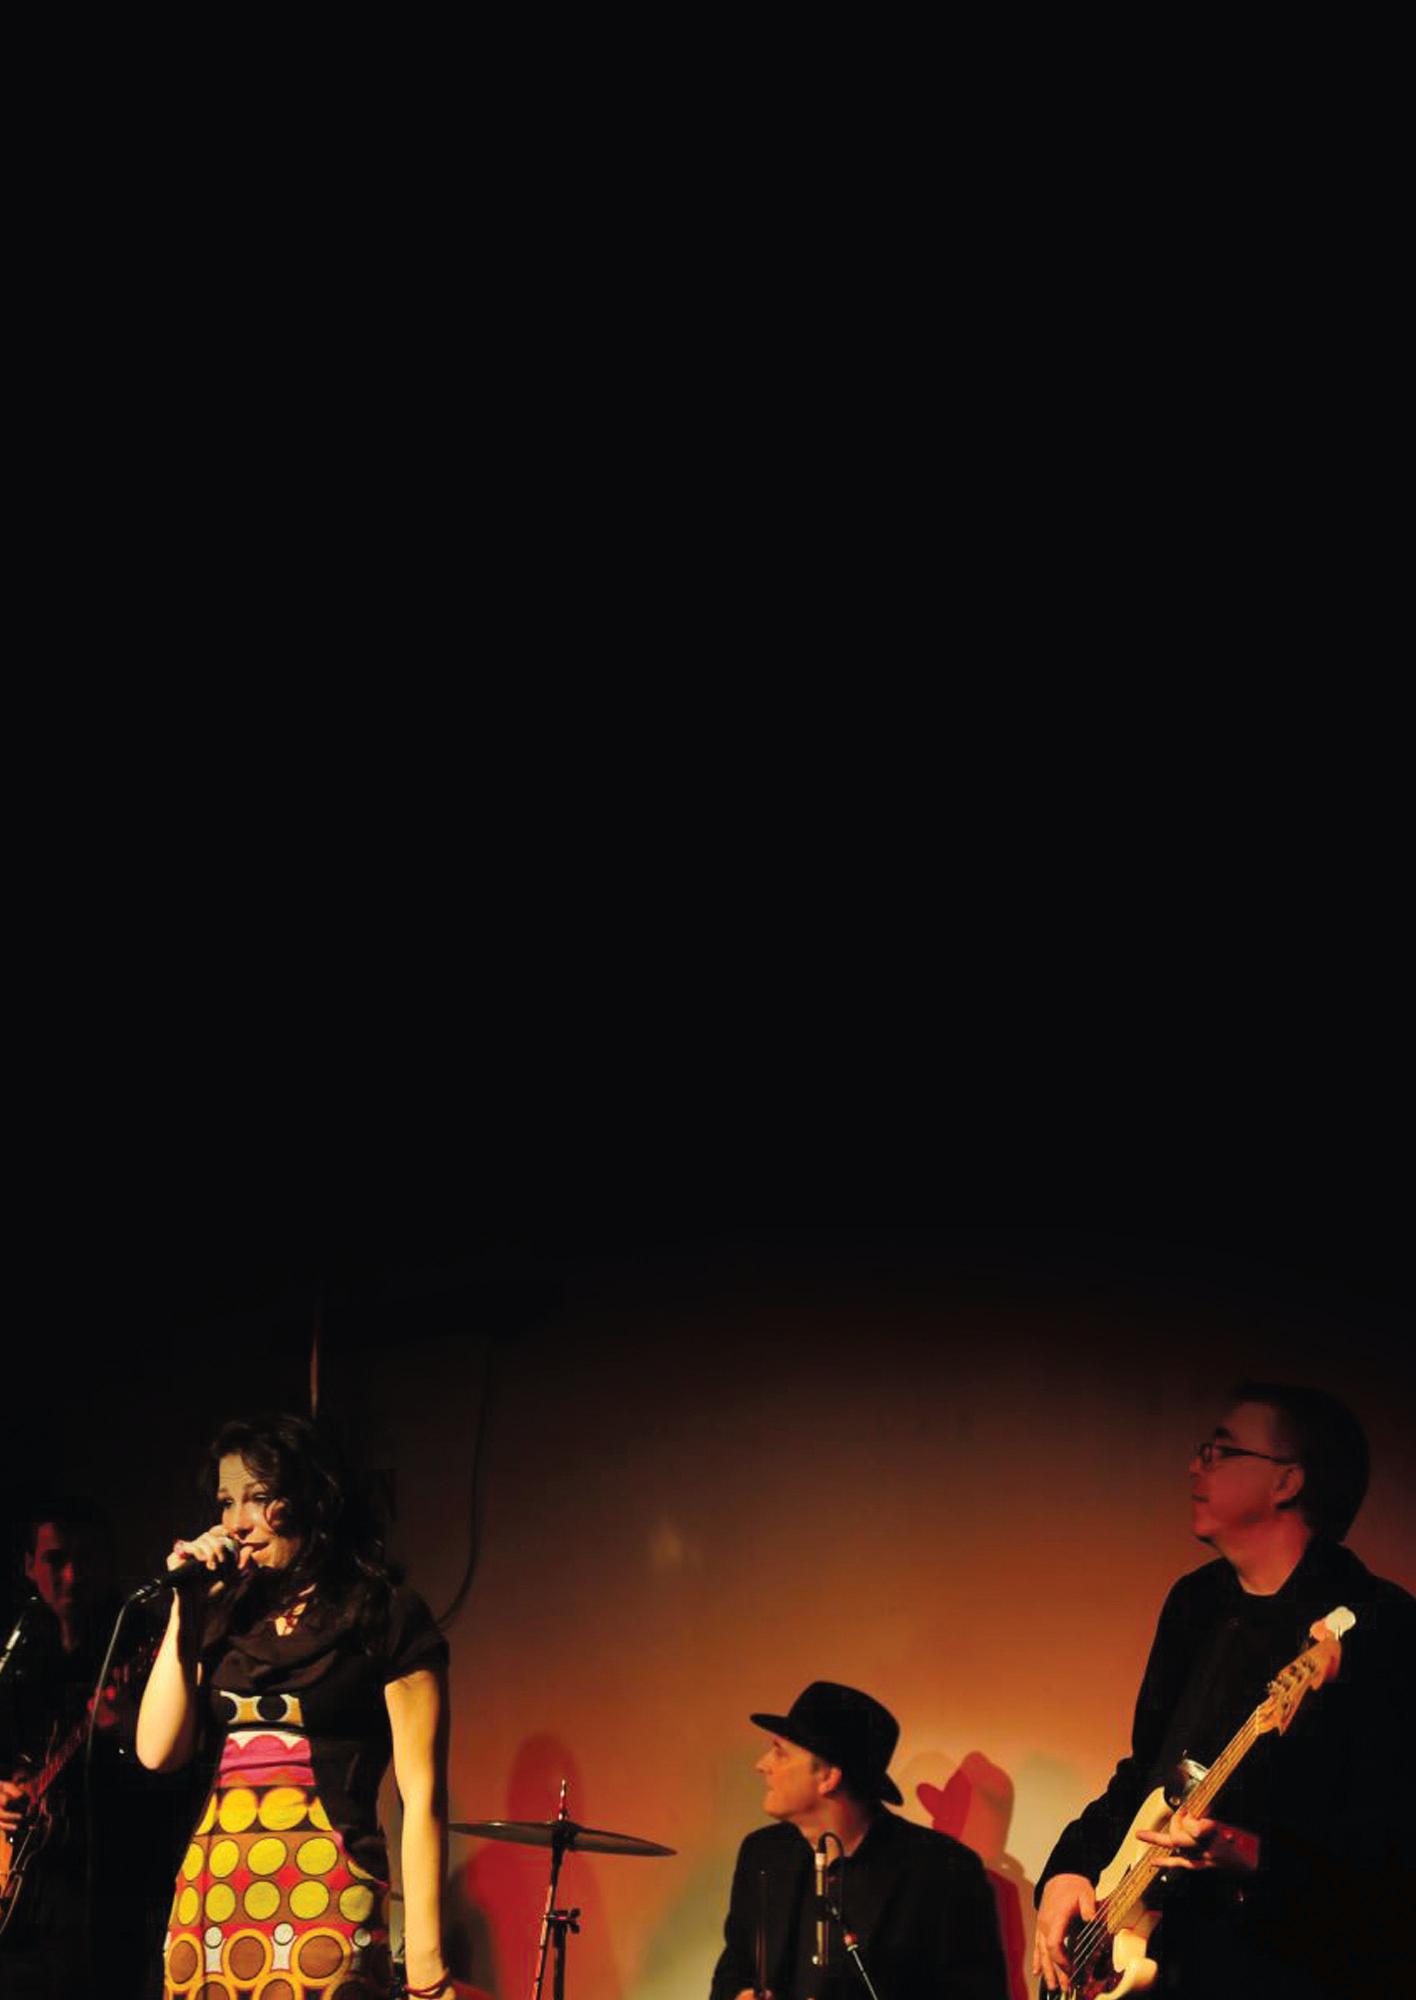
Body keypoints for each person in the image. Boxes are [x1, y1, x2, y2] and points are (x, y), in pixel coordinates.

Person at [1032, 1381, 1416, 2000]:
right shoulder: (1197, 1601)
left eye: (1220, 1451)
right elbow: (1146, 1775)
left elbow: (1390, 1850)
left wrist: (1255, 1856)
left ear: (1287, 1481)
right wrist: (1068, 1870)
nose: (1195, 1465)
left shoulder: (1378, 1626)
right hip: (1164, 1961)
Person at [136, 1413, 455, 2000]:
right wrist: (187, 1609)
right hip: (210, 1908)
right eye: (226, 1502)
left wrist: (427, 1963)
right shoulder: (223, 1614)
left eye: (259, 1498)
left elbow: (422, 1793)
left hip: (325, 1900)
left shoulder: (385, 1613)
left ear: (313, 1499)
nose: (237, 1522)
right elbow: (157, 1752)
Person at [710, 1679, 1008, 1999]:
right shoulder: (763, 1853)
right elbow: (733, 1968)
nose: (762, 1765)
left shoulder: (942, 1871)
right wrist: (739, 1995)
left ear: (828, 1777)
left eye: (780, 1753)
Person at [1, 1501, 179, 2000]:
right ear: (29, 1566)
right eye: (56, 1559)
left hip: (113, 1896)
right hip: (27, 1898)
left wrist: (126, 1732)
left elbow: (178, 1777)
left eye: (87, 1559)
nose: (72, 1576)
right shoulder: (22, 1650)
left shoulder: (144, 1640)